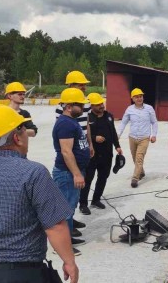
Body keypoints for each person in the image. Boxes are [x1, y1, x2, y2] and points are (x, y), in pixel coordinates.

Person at [0, 105, 79, 283]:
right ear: (17, 137)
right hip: (19, 273)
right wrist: (69, 262)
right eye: (24, 131)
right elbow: (55, 225)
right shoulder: (34, 173)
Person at [52, 88, 91, 255]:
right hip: (67, 174)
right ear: (69, 106)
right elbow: (66, 152)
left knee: (70, 207)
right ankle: (62, 246)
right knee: (65, 210)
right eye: (79, 105)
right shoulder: (65, 124)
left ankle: (67, 237)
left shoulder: (71, 121)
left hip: (72, 172)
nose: (82, 108)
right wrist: (76, 174)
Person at [79, 93, 123, 215]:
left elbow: (113, 132)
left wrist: (117, 146)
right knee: (88, 179)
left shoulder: (109, 116)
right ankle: (83, 204)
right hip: (92, 155)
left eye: (101, 103)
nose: (101, 106)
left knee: (103, 177)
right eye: (97, 104)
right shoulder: (87, 118)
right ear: (91, 106)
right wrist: (94, 138)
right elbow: (82, 134)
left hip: (107, 154)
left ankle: (96, 199)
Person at [117, 88, 158, 188]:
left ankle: (135, 178)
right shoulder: (129, 109)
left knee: (139, 157)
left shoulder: (149, 109)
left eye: (141, 96)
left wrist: (154, 135)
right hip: (132, 137)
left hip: (144, 138)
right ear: (132, 99)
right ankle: (141, 172)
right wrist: (118, 135)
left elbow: (154, 122)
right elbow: (123, 123)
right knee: (135, 158)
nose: (139, 98)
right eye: (136, 97)